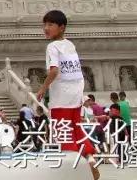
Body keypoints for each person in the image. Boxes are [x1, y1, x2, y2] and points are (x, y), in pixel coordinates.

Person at [34, 10, 99, 180]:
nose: (45, 28)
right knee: (77, 131)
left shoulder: (52, 47)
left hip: (61, 98)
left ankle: (73, 172)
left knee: (64, 134)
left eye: (50, 25)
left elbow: (54, 70)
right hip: (75, 96)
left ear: (61, 27)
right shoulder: (70, 45)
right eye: (44, 25)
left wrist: (43, 88)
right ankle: (90, 159)